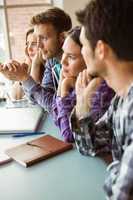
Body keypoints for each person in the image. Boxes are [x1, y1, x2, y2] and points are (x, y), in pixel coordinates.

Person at [69, 0, 133, 199]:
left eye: (84, 44)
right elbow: (91, 146)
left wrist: (118, 166)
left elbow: (119, 194)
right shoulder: (121, 99)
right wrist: (82, 106)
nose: (82, 52)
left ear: (101, 49)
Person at [0, 7, 72, 111]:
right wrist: (22, 76)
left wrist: (24, 78)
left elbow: (53, 107)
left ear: (62, 38)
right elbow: (37, 100)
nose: (38, 45)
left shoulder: (75, 62)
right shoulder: (52, 61)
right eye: (37, 38)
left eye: (44, 38)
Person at [52, 26, 114, 142]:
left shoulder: (100, 88)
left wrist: (64, 89)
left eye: (71, 57)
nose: (62, 61)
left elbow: (69, 135)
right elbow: (56, 117)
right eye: (64, 53)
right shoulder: (77, 80)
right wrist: (62, 82)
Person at [11, 28, 44, 100]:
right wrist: (28, 61)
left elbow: (35, 98)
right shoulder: (27, 65)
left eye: (34, 44)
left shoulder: (50, 68)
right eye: (27, 44)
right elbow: (16, 96)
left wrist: (35, 64)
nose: (29, 49)